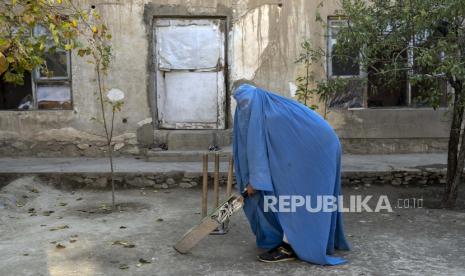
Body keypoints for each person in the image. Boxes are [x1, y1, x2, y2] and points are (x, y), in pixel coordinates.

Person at [232, 83, 350, 265]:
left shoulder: (270, 115)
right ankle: (305, 239)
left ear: (256, 98)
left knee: (297, 196)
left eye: (247, 103)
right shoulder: (268, 106)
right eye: (240, 105)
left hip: (317, 149)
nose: (244, 109)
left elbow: (258, 153)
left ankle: (290, 246)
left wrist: (254, 181)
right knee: (299, 196)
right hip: (316, 143)